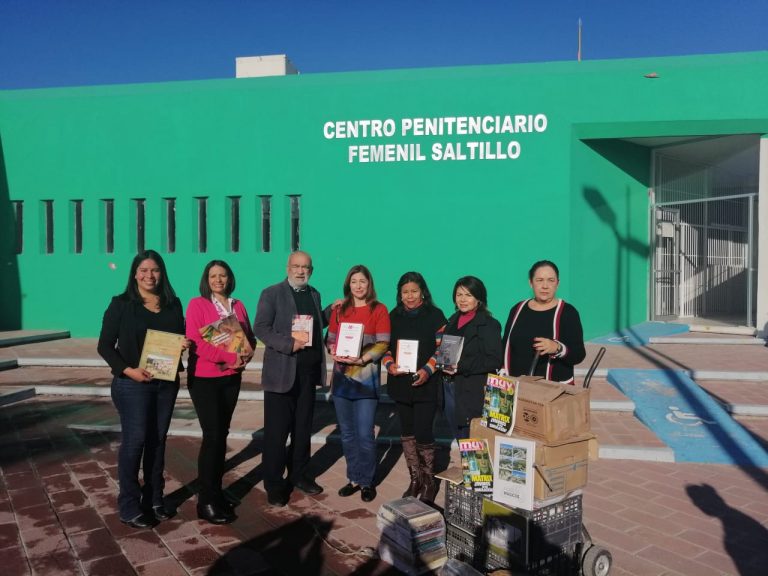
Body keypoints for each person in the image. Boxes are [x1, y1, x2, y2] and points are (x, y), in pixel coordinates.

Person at [97, 249, 186, 529]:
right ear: (135, 273)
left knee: (157, 441)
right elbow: (104, 346)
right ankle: (129, 505)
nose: (150, 275)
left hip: (165, 382)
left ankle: (155, 498)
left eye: (155, 270)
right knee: (135, 442)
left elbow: (176, 339)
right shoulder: (121, 304)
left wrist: (184, 345)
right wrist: (129, 370)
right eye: (144, 270)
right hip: (132, 384)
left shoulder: (173, 304)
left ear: (162, 273)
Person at [253, 251, 327, 507]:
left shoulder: (314, 294)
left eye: (305, 267)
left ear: (311, 270)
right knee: (276, 433)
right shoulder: (271, 293)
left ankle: (299, 474)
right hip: (281, 374)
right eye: (296, 266)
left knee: (302, 429)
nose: (300, 271)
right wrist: (288, 345)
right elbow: (260, 328)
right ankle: (273, 483)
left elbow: (316, 325)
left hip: (307, 375)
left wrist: (332, 310)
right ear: (287, 267)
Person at [185, 260, 255, 524]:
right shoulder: (197, 304)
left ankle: (216, 492)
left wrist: (246, 356)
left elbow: (249, 337)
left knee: (221, 435)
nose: (218, 280)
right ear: (207, 279)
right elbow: (196, 342)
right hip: (205, 378)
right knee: (212, 436)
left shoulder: (238, 305)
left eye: (223, 275)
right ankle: (205, 501)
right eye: (213, 276)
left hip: (231, 378)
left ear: (229, 278)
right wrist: (226, 357)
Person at [326, 265, 390, 503]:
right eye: (354, 281)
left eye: (363, 281)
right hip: (342, 380)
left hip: (366, 380)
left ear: (369, 284)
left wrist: (362, 358)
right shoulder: (339, 310)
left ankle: (367, 481)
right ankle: (354, 478)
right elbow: (331, 338)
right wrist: (332, 349)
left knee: (365, 434)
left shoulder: (379, 309)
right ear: (348, 284)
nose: (358, 286)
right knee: (348, 434)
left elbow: (383, 343)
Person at [382, 272, 446, 502]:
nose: (410, 296)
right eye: (405, 292)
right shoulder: (393, 316)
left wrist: (427, 370)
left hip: (425, 385)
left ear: (423, 292)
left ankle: (429, 481)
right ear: (400, 294)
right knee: (407, 431)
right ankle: (415, 478)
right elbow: (385, 347)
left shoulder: (435, 316)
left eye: (414, 291)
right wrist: (389, 364)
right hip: (401, 383)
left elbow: (442, 350)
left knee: (424, 431)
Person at [440, 276, 502, 441]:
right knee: (460, 439)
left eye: (468, 295)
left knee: (472, 440)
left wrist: (460, 366)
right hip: (450, 388)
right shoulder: (452, 321)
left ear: (478, 298)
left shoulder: (489, 324)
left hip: (472, 390)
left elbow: (494, 359)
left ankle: (473, 468)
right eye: (459, 294)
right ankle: (466, 467)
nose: (463, 299)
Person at [502, 260, 586, 384]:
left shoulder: (568, 312)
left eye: (551, 280)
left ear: (558, 283)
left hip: (552, 394)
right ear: (531, 283)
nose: (545, 286)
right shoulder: (517, 309)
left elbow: (578, 354)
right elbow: (505, 346)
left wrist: (557, 348)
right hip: (516, 390)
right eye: (539, 280)